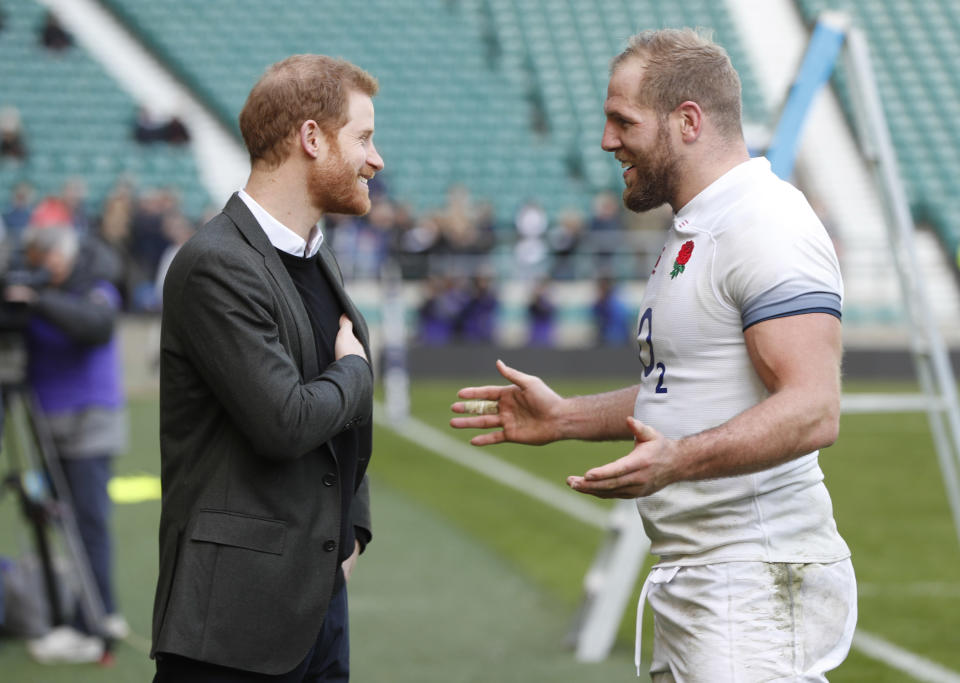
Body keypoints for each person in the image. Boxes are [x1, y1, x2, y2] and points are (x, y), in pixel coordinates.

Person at [451, 28, 854, 682]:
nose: (608, 140)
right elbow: (688, 390)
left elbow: (814, 409)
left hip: (750, 576)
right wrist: (567, 418)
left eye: (622, 120)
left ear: (688, 121)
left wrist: (679, 460)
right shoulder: (700, 226)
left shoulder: (766, 224)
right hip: (706, 576)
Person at [151, 54, 384, 682]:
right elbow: (284, 420)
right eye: (363, 137)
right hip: (230, 624)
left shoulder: (315, 256)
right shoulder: (215, 263)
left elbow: (339, 428)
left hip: (316, 607)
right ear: (312, 138)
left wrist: (352, 530)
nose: (376, 159)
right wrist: (358, 372)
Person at [4, 226, 128, 663]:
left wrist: (34, 301)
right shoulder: (45, 289)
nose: (41, 268)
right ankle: (101, 611)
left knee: (86, 525)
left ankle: (91, 627)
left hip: (88, 426)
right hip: (49, 428)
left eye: (46, 258)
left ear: (64, 254)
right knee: (67, 523)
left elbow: (94, 327)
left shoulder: (95, 287)